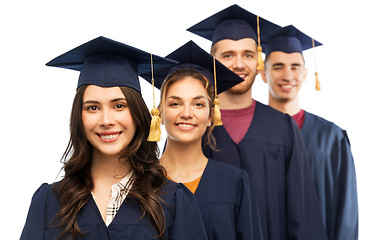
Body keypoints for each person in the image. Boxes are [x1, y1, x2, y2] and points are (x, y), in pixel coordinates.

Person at [20, 36, 208, 240]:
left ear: (137, 114)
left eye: (119, 106)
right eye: (93, 108)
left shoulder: (174, 201)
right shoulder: (49, 202)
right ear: (78, 117)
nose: (106, 120)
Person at [187, 4, 327, 240]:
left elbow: (303, 214)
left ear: (259, 63)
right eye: (228, 55)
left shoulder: (283, 128)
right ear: (212, 62)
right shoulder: (195, 126)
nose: (239, 64)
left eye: (248, 55)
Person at [141, 40, 263, 240]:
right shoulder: (140, 183)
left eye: (198, 104)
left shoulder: (236, 183)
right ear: (160, 113)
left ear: (210, 116)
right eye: (175, 103)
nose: (186, 113)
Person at [260, 25, 358, 240]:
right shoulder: (249, 135)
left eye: (295, 67)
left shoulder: (332, 139)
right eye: (277, 67)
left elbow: (346, 214)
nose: (287, 75)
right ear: (263, 74)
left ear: (305, 74)